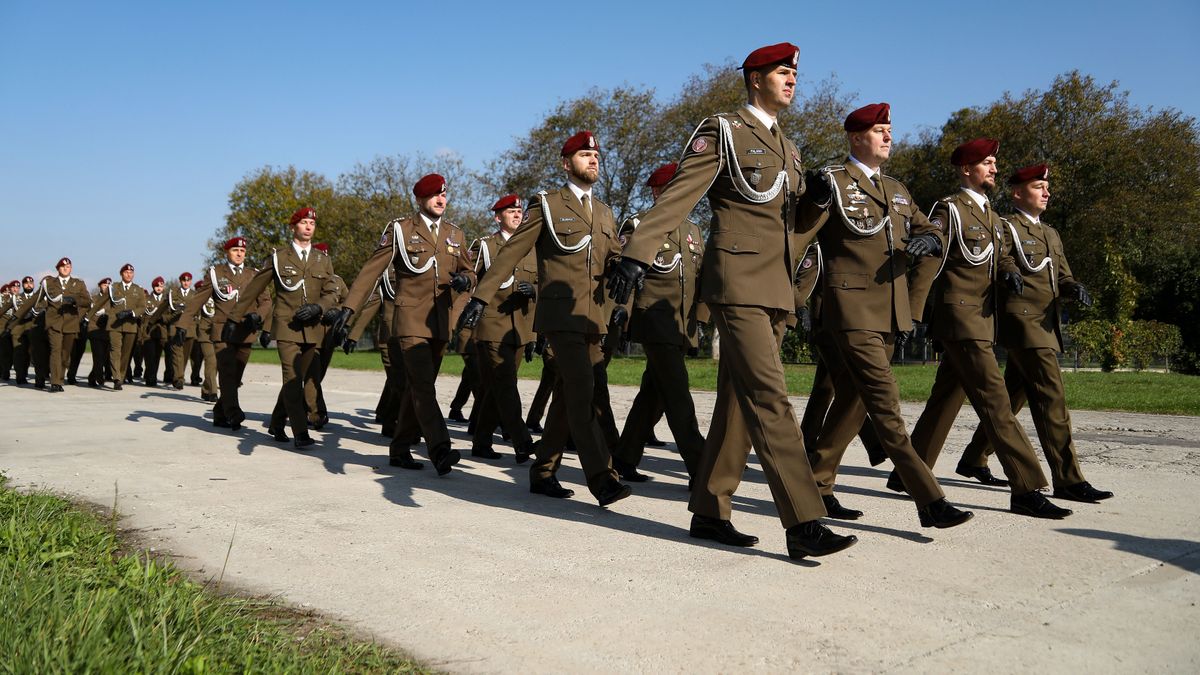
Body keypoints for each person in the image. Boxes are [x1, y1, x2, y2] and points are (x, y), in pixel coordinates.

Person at [607, 43, 858, 559]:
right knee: (770, 396)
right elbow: (681, 194)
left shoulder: (789, 148)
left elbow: (793, 232)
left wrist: (814, 203)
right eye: (782, 72)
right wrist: (637, 253)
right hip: (738, 282)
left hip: (775, 288)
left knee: (738, 405)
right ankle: (805, 521)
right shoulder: (722, 130)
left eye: (794, 73)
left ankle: (709, 508)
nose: (792, 80)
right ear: (754, 79)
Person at [795, 103, 973, 528]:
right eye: (880, 131)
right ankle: (929, 500)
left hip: (889, 314)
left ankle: (817, 486)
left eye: (889, 130)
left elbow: (927, 227)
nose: (889, 137)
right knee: (886, 406)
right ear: (857, 138)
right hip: (851, 310)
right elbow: (798, 231)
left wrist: (929, 242)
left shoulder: (896, 188)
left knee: (853, 404)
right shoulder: (835, 181)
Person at [901, 139, 1073, 519]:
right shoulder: (949, 209)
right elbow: (931, 259)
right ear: (966, 169)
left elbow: (1005, 258)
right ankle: (1026, 488)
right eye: (987, 163)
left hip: (984, 319)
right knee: (996, 403)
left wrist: (1010, 274)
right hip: (960, 318)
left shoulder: (994, 218)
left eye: (995, 163)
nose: (994, 169)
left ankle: (907, 473)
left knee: (946, 398)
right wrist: (911, 313)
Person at [461, 131, 631, 506]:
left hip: (592, 319)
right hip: (558, 317)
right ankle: (602, 478)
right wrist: (480, 296)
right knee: (583, 390)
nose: (593, 160)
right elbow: (510, 252)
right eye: (585, 154)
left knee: (569, 398)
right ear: (566, 163)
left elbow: (614, 255)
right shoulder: (548, 205)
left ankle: (542, 471)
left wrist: (625, 269)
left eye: (596, 155)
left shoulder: (604, 211)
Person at [954, 163, 1113, 504]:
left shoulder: (1051, 233)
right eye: (1039, 186)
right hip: (1023, 323)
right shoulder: (1007, 226)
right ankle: (1068, 479)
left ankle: (974, 458)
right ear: (1017, 193)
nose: (1047, 192)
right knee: (1052, 400)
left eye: (1046, 187)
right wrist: (1009, 272)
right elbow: (1002, 260)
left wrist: (1073, 288)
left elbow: (1063, 274)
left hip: (1045, 323)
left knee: (1011, 398)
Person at [339, 175, 476, 474]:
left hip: (440, 321)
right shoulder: (400, 230)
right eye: (434, 195)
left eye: (444, 194)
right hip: (410, 320)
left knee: (418, 387)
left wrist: (467, 280)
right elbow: (371, 271)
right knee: (424, 387)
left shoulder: (456, 234)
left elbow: (469, 270)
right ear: (419, 199)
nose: (441, 200)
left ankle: (400, 448)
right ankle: (440, 449)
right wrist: (349, 308)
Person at [611, 162, 708, 483]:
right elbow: (623, 274)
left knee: (653, 394)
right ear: (657, 191)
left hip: (682, 325)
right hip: (654, 321)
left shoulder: (693, 230)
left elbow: (703, 278)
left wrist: (702, 320)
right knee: (679, 396)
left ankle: (624, 459)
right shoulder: (640, 224)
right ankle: (701, 468)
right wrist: (621, 312)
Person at [226, 208, 339, 448]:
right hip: (287, 327)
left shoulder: (323, 259)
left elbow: (332, 292)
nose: (308, 227)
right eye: (303, 223)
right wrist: (233, 318)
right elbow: (253, 290)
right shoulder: (279, 257)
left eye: (312, 223)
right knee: (292, 376)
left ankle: (277, 422)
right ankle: (300, 433)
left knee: (299, 379)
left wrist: (319, 308)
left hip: (314, 327)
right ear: (293, 227)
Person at [466, 194, 539, 463]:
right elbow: (469, 277)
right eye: (511, 211)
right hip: (491, 325)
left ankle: (481, 441)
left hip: (520, 328)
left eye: (519, 211)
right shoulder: (485, 246)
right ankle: (522, 441)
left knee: (497, 387)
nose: (517, 214)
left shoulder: (532, 246)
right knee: (506, 384)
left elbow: (544, 281)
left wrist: (535, 290)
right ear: (498, 217)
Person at [179, 237, 272, 429]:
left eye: (242, 251)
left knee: (235, 377)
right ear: (227, 252)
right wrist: (183, 323)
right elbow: (197, 300)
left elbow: (266, 301)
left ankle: (219, 412)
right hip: (223, 332)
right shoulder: (216, 273)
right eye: (235, 250)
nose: (239, 254)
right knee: (228, 373)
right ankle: (233, 413)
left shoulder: (253, 274)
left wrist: (259, 317)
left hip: (246, 332)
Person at [17, 257, 92, 392]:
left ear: (71, 269)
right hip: (53, 322)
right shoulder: (49, 283)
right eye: (63, 267)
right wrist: (18, 315)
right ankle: (55, 382)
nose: (65, 268)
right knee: (55, 350)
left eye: (68, 267)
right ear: (58, 269)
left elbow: (87, 301)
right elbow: (34, 299)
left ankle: (59, 377)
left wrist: (74, 300)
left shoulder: (78, 284)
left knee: (65, 355)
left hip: (70, 323)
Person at [92, 264, 147, 390]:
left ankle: (121, 376)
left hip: (130, 325)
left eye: (131, 272)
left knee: (125, 354)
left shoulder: (138, 289)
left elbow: (142, 307)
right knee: (114, 350)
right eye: (126, 272)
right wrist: (87, 317)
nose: (129, 274)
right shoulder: (113, 288)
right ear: (121, 274)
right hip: (114, 324)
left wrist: (132, 313)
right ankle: (116, 377)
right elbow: (100, 303)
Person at [160, 272, 197, 390]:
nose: (186, 282)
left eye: (188, 280)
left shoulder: (195, 295)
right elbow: (165, 308)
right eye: (184, 280)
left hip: (190, 329)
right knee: (177, 355)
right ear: (180, 281)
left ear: (191, 281)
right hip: (175, 327)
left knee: (184, 356)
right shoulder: (173, 293)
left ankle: (179, 375)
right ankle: (179, 379)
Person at [141, 276, 169, 387]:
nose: (159, 288)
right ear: (153, 287)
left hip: (162, 332)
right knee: (150, 356)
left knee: (156, 356)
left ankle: (152, 376)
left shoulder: (167, 301)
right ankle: (150, 378)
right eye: (157, 286)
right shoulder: (146, 299)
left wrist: (164, 318)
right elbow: (143, 315)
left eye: (161, 286)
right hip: (149, 332)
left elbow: (171, 314)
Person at [85, 278, 113, 386]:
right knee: (98, 355)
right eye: (104, 284)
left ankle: (92, 377)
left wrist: (106, 311)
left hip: (106, 331)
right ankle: (99, 377)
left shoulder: (112, 299)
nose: (106, 286)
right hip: (94, 330)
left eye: (108, 285)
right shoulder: (94, 298)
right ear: (100, 286)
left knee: (104, 357)